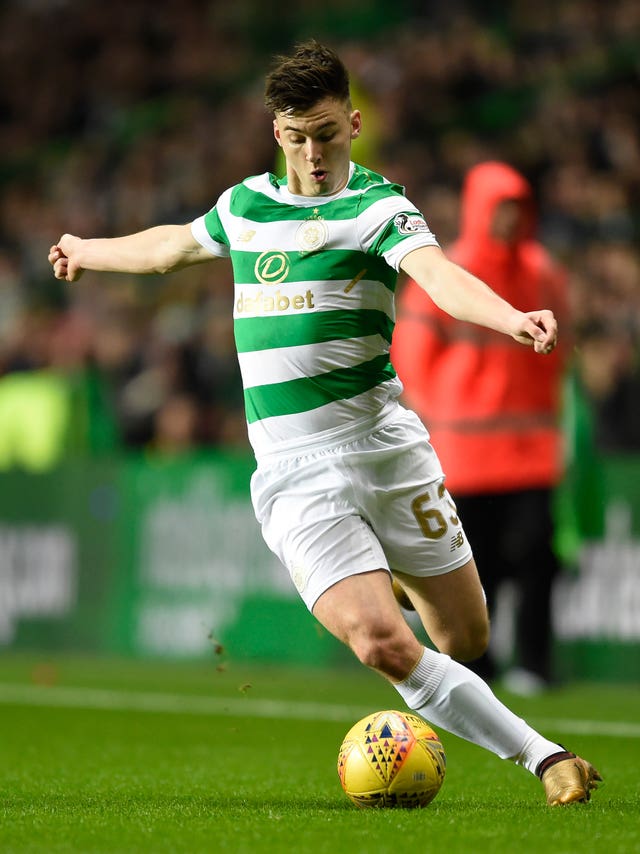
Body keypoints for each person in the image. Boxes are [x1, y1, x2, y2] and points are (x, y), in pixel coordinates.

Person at [49, 40, 600, 805]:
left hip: (386, 450)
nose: (312, 153)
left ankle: (391, 570)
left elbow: (437, 277)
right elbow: (171, 246)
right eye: (295, 136)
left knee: (467, 639)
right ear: (277, 132)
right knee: (383, 642)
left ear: (355, 123)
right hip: (295, 470)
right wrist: (86, 248)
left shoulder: (377, 206)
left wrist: (510, 319)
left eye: (327, 135)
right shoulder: (245, 206)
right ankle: (547, 759)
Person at [391, 161, 569, 695]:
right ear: (479, 209)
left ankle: (535, 663)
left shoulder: (542, 271)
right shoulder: (448, 271)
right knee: (475, 562)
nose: (510, 219)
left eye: (517, 207)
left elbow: (562, 350)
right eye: (501, 207)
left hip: (530, 448)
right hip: (466, 452)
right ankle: (477, 666)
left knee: (538, 556)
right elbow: (412, 358)